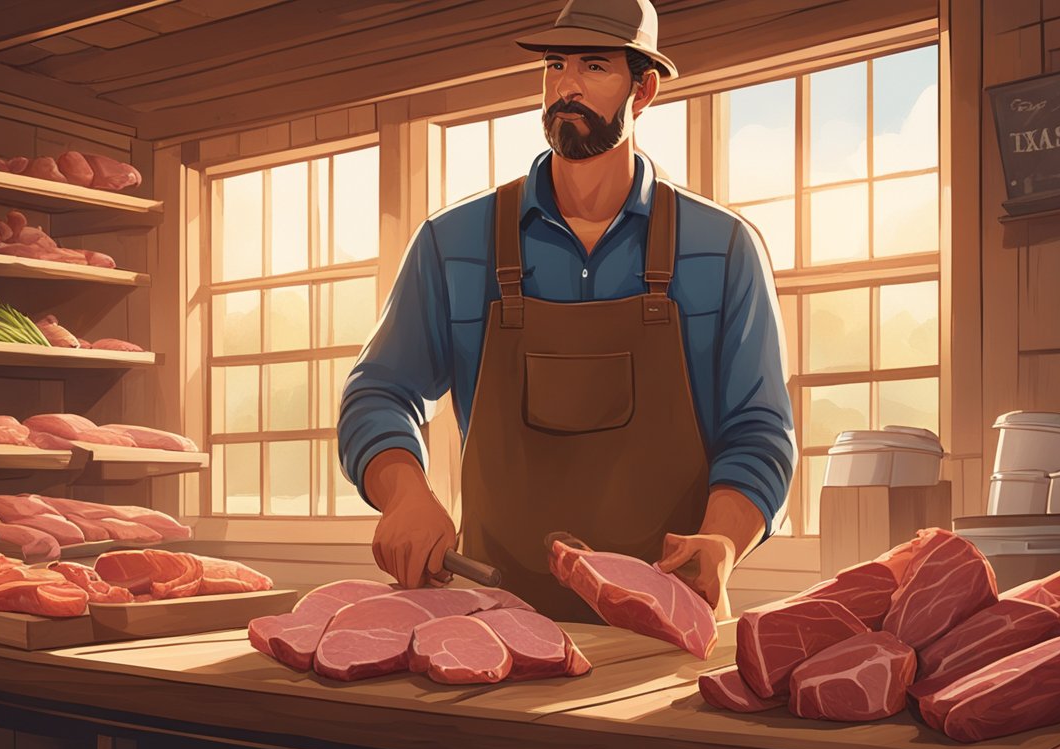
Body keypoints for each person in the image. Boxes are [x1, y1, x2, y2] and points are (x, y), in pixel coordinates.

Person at [337, 0, 796, 621]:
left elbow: (759, 431)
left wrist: (722, 540)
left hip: (665, 621)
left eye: (595, 66)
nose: (566, 86)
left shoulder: (724, 248)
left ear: (645, 89)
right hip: (495, 624)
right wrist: (405, 495)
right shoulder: (454, 245)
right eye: (555, 65)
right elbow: (379, 391)